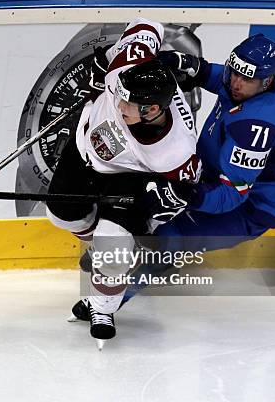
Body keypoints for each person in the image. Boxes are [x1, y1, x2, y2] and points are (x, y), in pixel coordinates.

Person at [110, 34, 275, 306]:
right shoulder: (268, 77)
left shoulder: (255, 128)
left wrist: (188, 196)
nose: (235, 83)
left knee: (170, 239)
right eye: (234, 71)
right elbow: (229, 80)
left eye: (245, 79)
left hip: (251, 206)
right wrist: (193, 66)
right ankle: (117, 253)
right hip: (219, 174)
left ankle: (114, 298)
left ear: (266, 81)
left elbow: (231, 196)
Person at [45, 18, 201, 349]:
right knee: (59, 214)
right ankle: (96, 245)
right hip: (83, 146)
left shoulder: (175, 151)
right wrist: (103, 62)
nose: (119, 105)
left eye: (127, 103)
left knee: (113, 247)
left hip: (130, 178)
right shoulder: (131, 64)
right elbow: (147, 25)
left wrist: (154, 201)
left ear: (153, 109)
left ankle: (102, 307)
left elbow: (183, 194)